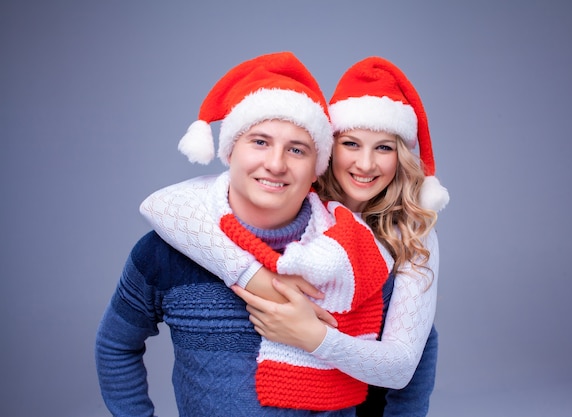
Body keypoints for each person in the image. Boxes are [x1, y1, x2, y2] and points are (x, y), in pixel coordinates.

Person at [140, 57, 450, 416]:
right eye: (351, 144)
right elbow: (161, 206)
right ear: (328, 148)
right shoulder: (295, 201)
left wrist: (313, 335)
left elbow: (404, 365)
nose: (365, 164)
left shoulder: (410, 236)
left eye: (384, 147)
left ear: (401, 157)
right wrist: (261, 281)